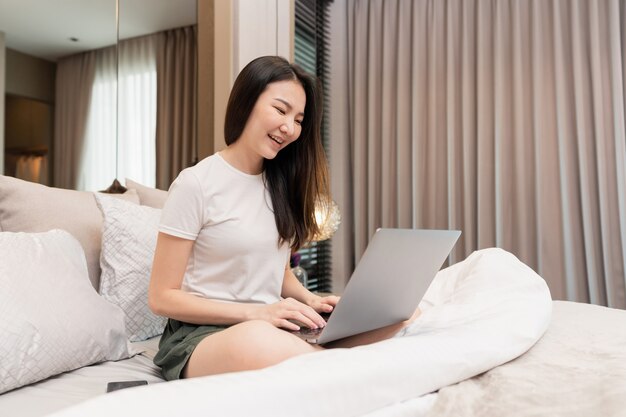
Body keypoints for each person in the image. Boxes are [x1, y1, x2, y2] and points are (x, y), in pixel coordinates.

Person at [149, 56, 415, 380]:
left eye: (299, 119)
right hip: (204, 336)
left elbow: (279, 272)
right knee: (256, 339)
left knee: (399, 316)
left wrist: (312, 302)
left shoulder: (279, 186)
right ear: (247, 101)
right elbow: (162, 297)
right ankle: (345, 367)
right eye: (281, 110)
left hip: (272, 325)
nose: (289, 128)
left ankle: (327, 358)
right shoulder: (196, 183)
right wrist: (256, 314)